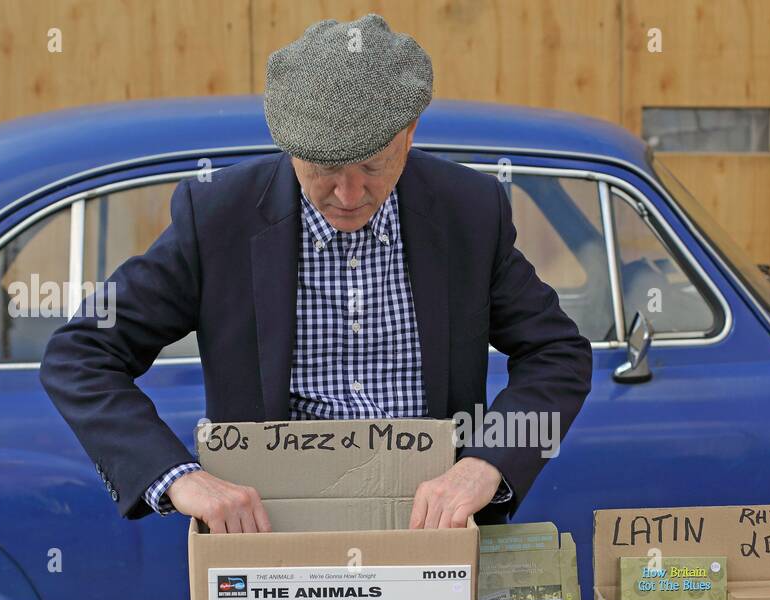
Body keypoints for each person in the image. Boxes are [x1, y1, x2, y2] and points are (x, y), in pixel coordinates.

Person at [40, 13, 591, 534]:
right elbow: (81, 353)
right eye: (325, 169)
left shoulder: (468, 210)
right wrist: (178, 477)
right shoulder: (217, 219)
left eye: (373, 167)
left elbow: (556, 353)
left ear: (409, 133)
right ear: (290, 146)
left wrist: (487, 463)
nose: (349, 196)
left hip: (431, 534)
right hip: (270, 539)